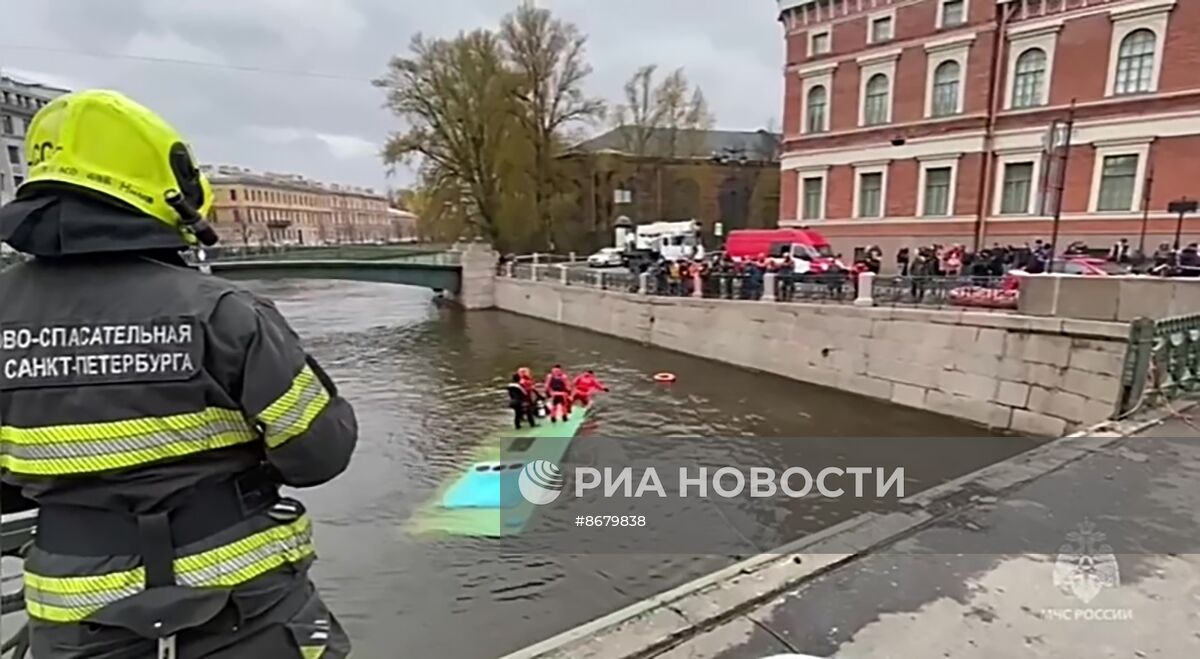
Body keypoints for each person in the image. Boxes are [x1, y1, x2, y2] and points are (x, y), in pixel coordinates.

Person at [0, 90, 356, 658]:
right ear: (169, 189)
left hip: (74, 613)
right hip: (243, 607)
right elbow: (319, 454)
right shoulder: (223, 312)